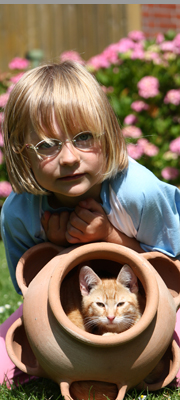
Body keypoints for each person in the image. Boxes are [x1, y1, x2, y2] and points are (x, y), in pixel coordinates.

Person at [0, 60, 180, 386]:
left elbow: (171, 269)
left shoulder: (137, 192)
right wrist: (55, 251)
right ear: (20, 153)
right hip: (78, 306)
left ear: (109, 134)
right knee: (6, 359)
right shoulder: (19, 213)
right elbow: (31, 292)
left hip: (161, 299)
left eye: (83, 137)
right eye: (46, 145)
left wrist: (110, 235)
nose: (69, 158)